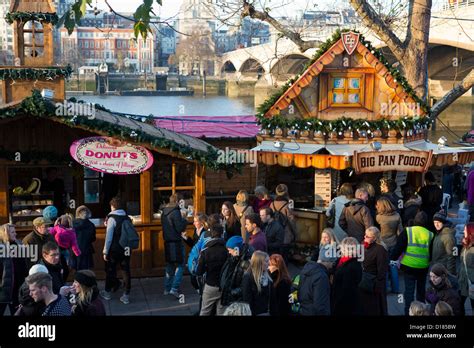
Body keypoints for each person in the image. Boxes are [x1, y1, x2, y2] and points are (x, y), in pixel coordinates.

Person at [391, 211, 434, 315]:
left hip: (409, 266)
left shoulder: (408, 231)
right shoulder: (430, 234)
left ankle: (409, 312)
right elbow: (431, 252)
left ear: (415, 220)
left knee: (409, 291)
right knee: (421, 291)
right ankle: (422, 312)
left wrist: (393, 258)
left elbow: (399, 247)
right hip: (423, 267)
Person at [101, 197, 132, 304]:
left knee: (110, 270)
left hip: (114, 249)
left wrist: (105, 251)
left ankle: (107, 292)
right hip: (126, 248)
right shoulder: (127, 218)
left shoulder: (111, 218)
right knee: (126, 271)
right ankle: (126, 295)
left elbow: (109, 237)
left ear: (113, 206)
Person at [196, 224, 228, 316]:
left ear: (211, 235)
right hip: (224, 285)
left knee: (205, 311)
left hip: (210, 284)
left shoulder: (206, 251)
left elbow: (199, 271)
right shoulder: (228, 250)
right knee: (222, 312)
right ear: (222, 234)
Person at [161, 193, 188, 299]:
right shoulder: (175, 212)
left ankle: (167, 289)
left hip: (167, 241)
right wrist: (184, 219)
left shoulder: (164, 212)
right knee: (181, 265)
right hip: (176, 241)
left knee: (169, 266)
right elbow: (180, 228)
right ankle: (174, 288)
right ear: (177, 201)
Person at [375, 197, 403, 294]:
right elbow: (400, 232)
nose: (376, 207)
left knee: (384, 267)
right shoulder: (397, 216)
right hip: (394, 243)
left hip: (382, 245)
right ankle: (395, 289)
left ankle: (385, 289)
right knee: (393, 266)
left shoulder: (379, 217)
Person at [359, 227, 388, 315]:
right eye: (365, 235)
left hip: (373, 283)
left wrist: (377, 285)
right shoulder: (362, 245)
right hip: (363, 281)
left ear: (374, 238)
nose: (364, 238)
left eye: (367, 236)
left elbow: (382, 270)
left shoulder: (380, 250)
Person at [0, 223, 27, 316]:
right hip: (3, 291)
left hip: (17, 291)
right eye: (12, 232)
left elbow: (23, 268)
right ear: (5, 234)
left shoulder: (17, 246)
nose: (15, 234)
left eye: (15, 231)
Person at [219, 236, 253, 309]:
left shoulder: (246, 262)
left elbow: (246, 284)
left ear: (236, 249)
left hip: (239, 299)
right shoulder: (235, 257)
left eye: (230, 250)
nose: (229, 252)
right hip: (234, 296)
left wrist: (233, 292)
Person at [332, 237, 362, 316]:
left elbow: (346, 290)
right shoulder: (341, 259)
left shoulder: (353, 266)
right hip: (337, 297)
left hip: (345, 304)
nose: (342, 249)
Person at [49, 214, 81, 281]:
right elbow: (74, 244)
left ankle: (58, 281)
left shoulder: (57, 228)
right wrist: (77, 253)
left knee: (56, 266)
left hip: (56, 249)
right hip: (65, 250)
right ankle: (63, 281)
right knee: (66, 267)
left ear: (60, 221)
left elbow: (50, 234)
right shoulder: (72, 232)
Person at [242, 251, 272, 315]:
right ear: (259, 263)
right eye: (266, 261)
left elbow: (272, 300)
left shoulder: (268, 277)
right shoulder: (248, 277)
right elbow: (247, 301)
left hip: (266, 312)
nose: (269, 263)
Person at [270, 184, 296, 249]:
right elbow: (291, 220)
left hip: (274, 233)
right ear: (286, 192)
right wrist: (294, 233)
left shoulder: (271, 204)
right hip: (285, 234)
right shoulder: (289, 203)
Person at [72, 205, 96, 271]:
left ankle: (77, 280)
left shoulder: (72, 224)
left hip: (75, 249)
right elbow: (93, 238)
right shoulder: (91, 224)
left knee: (77, 269)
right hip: (87, 250)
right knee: (86, 270)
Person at [458, 222, 474, 315]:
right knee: (459, 304)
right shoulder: (465, 245)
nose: (463, 231)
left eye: (465, 230)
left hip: (472, 284)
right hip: (463, 282)